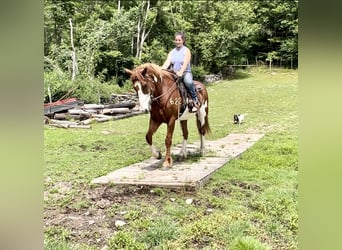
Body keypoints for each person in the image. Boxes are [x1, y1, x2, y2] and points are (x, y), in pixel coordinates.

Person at [161, 31, 200, 110]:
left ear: (183, 40)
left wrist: (181, 72)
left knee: (188, 82)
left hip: (185, 72)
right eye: (176, 40)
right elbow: (167, 63)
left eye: (179, 40)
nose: (177, 42)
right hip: (174, 73)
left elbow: (185, 63)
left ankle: (195, 98)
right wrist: (160, 70)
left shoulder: (186, 51)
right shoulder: (172, 52)